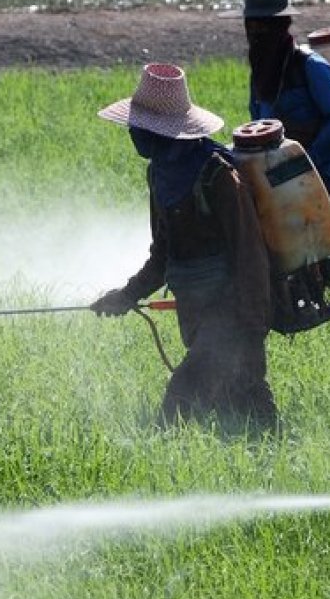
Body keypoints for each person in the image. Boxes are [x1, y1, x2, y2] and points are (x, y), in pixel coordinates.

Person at [90, 63, 276, 430]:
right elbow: (163, 255)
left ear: (165, 134)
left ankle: (159, 455)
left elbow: (250, 252)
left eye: (139, 128)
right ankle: (269, 456)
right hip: (196, 309)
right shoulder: (159, 174)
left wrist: (253, 323)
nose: (133, 133)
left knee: (183, 397)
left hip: (233, 311)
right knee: (240, 402)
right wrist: (126, 295)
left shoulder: (218, 176)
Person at [220, 0, 330, 202]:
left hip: (326, 169)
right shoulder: (260, 73)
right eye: (251, 25)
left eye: (264, 26)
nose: (256, 32)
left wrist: (305, 161)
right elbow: (258, 126)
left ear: (282, 25)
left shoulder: (311, 66)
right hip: (279, 173)